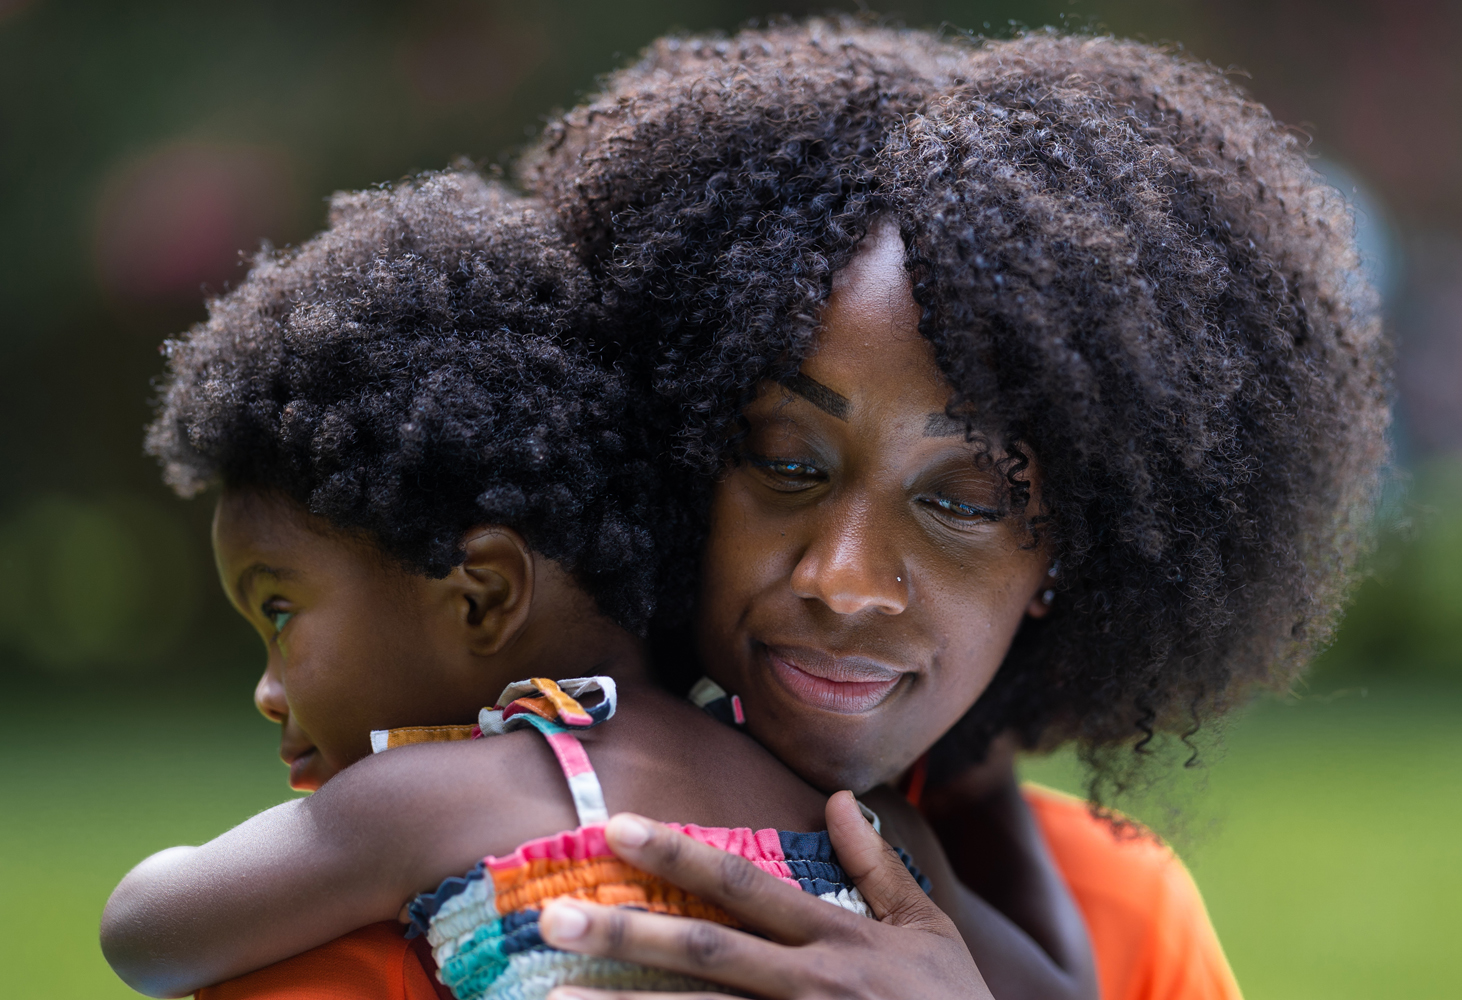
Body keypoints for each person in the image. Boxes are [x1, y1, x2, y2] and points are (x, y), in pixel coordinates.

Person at [513, 18, 1386, 1000]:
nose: (842, 578)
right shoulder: (470, 845)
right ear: (673, 452)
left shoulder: (1128, 919)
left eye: (964, 500)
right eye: (784, 462)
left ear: (1074, 551)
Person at [101, 169, 1096, 1000]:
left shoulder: (424, 804)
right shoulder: (874, 832)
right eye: (787, 464)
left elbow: (147, 930)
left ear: (484, 592)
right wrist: (981, 754)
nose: (268, 687)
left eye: (281, 610)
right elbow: (1063, 989)